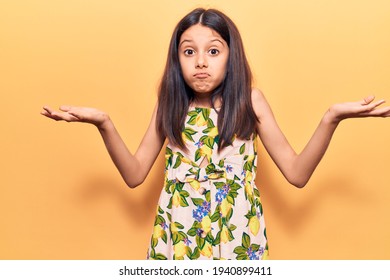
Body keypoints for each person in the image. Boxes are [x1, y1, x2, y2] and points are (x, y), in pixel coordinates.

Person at [41, 8, 390, 260]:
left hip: (238, 233)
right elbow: (134, 176)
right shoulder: (170, 104)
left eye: (213, 50)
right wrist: (104, 122)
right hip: (178, 237)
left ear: (230, 55)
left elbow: (297, 174)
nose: (201, 62)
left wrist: (332, 117)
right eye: (189, 51)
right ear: (177, 60)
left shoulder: (250, 101)